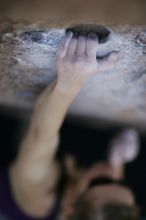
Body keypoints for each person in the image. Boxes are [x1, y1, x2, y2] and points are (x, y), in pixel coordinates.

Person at [0, 31, 140, 220]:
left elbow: (40, 134)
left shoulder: (36, 196)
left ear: (68, 208)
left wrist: (69, 83)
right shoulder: (99, 197)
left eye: (101, 180)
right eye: (124, 184)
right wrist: (121, 153)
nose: (113, 173)